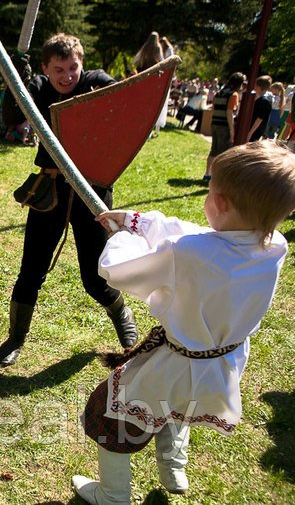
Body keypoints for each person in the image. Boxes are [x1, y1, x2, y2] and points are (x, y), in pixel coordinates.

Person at [71, 140, 295, 505]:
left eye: (210, 191)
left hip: (175, 362)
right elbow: (199, 237)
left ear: (219, 203)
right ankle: (173, 466)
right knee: (181, 407)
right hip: (223, 364)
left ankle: (112, 495)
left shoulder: (190, 254)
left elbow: (118, 270)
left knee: (110, 416)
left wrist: (124, 237)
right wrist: (139, 222)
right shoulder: (274, 245)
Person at [0, 33, 138, 367]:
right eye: (58, 69)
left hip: (91, 190)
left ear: (81, 64)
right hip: (52, 190)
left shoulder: (96, 82)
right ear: (46, 67)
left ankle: (125, 321)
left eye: (72, 67)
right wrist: (14, 81)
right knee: (31, 270)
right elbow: (13, 118)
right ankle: (15, 338)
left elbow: (127, 110)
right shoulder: (41, 88)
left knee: (94, 277)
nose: (67, 76)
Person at [204, 72, 246, 181]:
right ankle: (217, 177)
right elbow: (229, 112)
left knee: (214, 149)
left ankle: (207, 174)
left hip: (215, 123)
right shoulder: (233, 94)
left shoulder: (219, 93)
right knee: (223, 152)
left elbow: (214, 108)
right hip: (224, 126)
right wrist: (232, 130)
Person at [132, 32, 164, 137]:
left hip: (143, 77)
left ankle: (140, 128)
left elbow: (135, 61)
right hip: (152, 79)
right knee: (150, 105)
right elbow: (162, 62)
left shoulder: (145, 48)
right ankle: (148, 131)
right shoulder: (157, 48)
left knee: (142, 104)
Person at [247, 75, 273, 142]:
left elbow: (259, 119)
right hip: (254, 130)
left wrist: (250, 133)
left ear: (259, 86)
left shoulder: (263, 101)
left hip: (255, 131)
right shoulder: (260, 99)